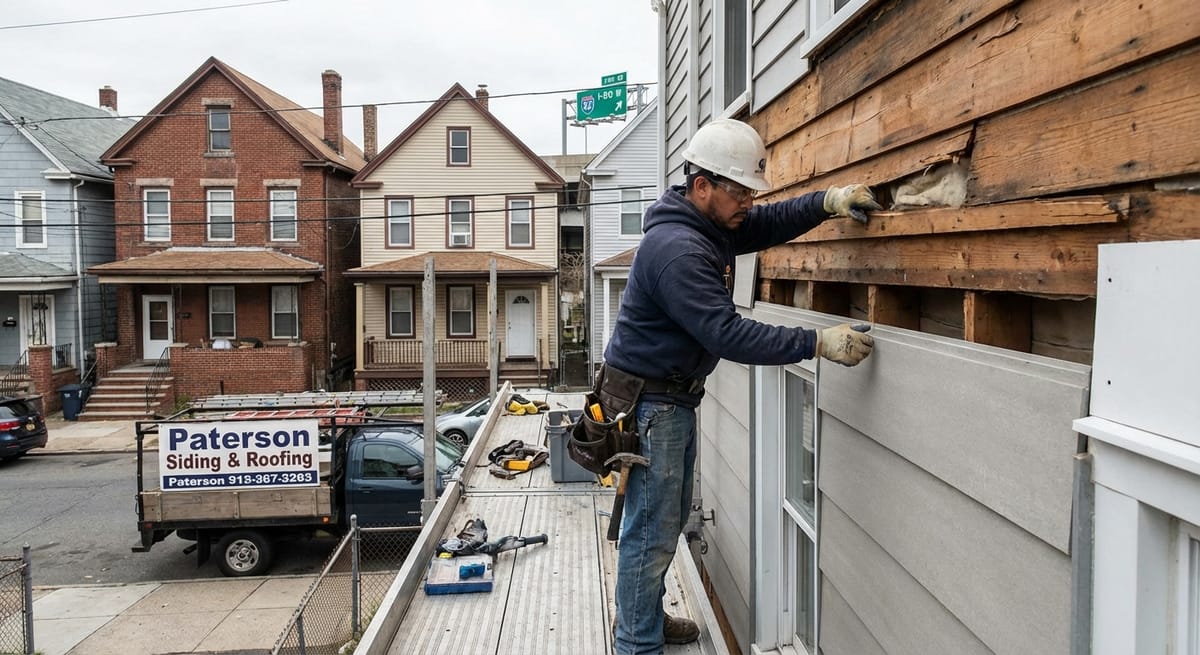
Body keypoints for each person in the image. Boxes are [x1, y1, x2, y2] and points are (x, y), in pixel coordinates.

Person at [604, 118, 878, 655]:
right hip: (651, 406)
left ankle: (646, 622)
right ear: (702, 185)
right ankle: (636, 644)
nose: (749, 203)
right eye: (740, 192)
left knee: (663, 522)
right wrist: (816, 344)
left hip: (668, 399)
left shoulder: (710, 225)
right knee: (651, 533)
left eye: (751, 192)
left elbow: (769, 222)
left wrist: (829, 201)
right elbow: (726, 334)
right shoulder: (679, 251)